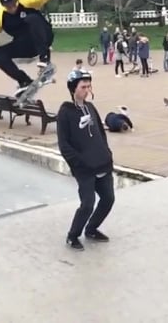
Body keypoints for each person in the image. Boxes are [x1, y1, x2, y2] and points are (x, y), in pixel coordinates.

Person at [57, 69, 115, 251]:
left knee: (108, 199)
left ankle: (91, 229)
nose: (87, 90)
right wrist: (79, 163)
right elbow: (64, 145)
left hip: (102, 164)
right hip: (84, 169)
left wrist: (106, 153)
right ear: (73, 88)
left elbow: (100, 132)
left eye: (89, 86)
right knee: (87, 204)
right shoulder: (65, 112)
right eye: (83, 87)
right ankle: (73, 235)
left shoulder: (90, 108)